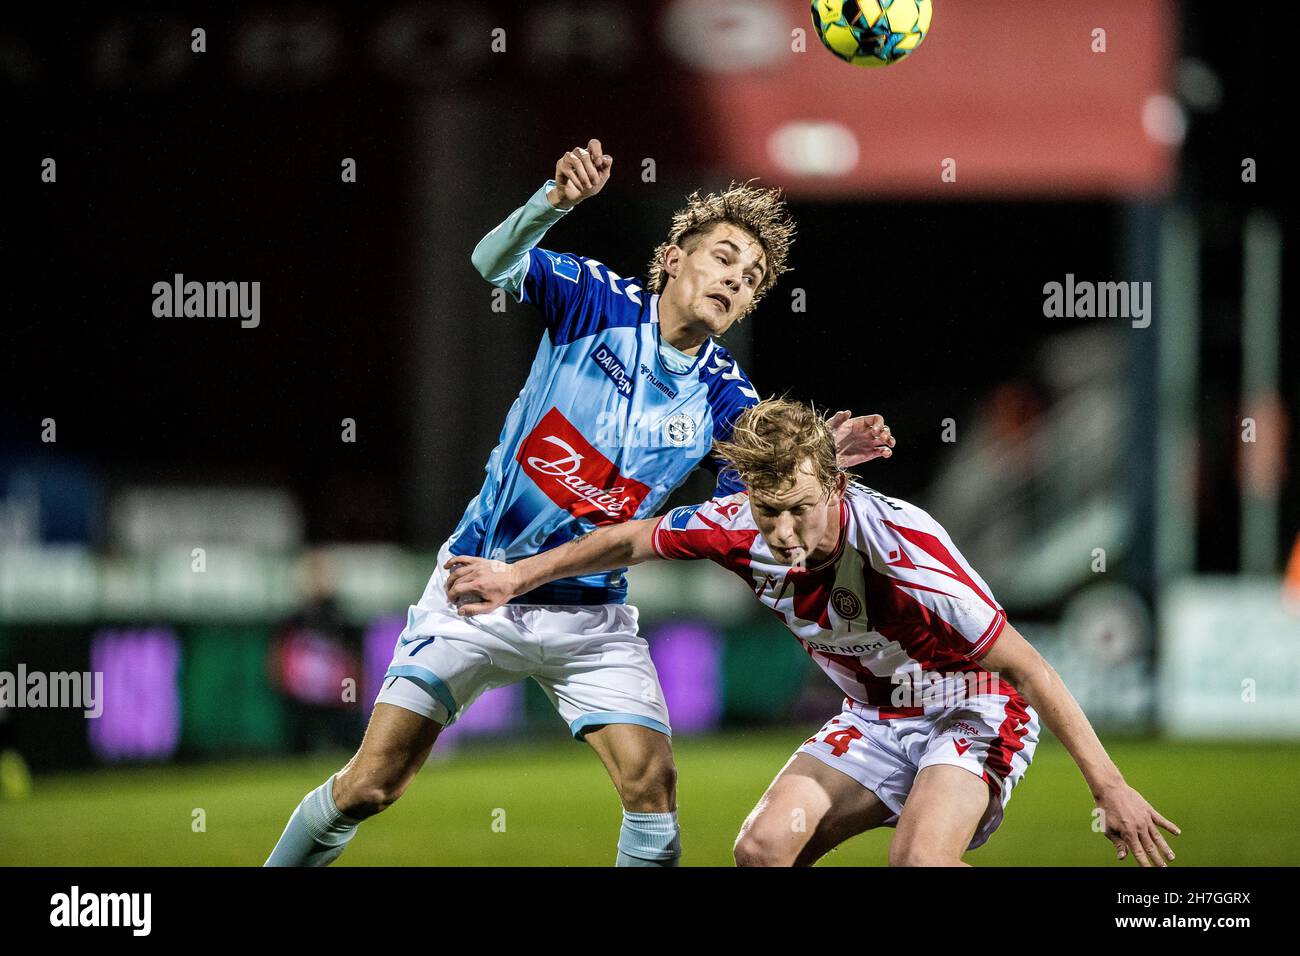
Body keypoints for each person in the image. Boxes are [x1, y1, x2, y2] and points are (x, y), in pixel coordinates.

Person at [265, 140, 895, 867]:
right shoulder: (596, 300)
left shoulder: (729, 398)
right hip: (477, 587)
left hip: (591, 616)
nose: (735, 279)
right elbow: (490, 263)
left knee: (653, 788)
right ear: (673, 259)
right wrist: (552, 203)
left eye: (752, 278)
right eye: (723, 257)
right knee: (371, 787)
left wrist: (812, 465)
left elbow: (757, 505)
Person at [446, 397, 1181, 867]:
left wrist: (1109, 787)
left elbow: (1029, 668)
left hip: (975, 704)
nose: (786, 531)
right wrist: (518, 577)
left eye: (801, 507)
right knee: (762, 851)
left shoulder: (902, 553)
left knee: (919, 864)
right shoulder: (739, 525)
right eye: (770, 511)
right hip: (876, 716)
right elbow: (630, 539)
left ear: (835, 487)